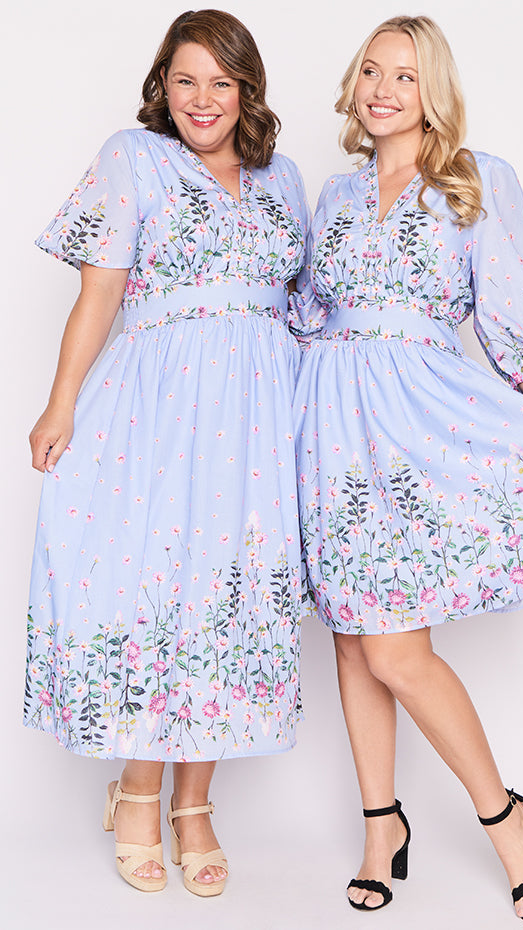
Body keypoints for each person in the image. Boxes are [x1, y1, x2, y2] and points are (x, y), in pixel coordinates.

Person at [290, 14, 523, 920]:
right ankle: (381, 828)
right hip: (332, 426)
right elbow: (307, 315)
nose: (383, 90)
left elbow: (507, 302)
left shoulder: (475, 179)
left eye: (405, 75)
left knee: (396, 649)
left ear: (433, 88)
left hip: (420, 423)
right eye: (371, 71)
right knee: (353, 637)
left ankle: (504, 817)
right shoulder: (334, 195)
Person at [25, 9, 309, 896]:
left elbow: (304, 306)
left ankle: (196, 807)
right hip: (160, 408)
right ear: (163, 86)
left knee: (229, 596)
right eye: (185, 80)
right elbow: (100, 293)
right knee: (157, 588)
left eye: (221, 82)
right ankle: (138, 795)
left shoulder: (283, 177)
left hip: (260, 417)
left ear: (247, 90)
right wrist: (60, 403)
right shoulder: (133, 156)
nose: (202, 99)